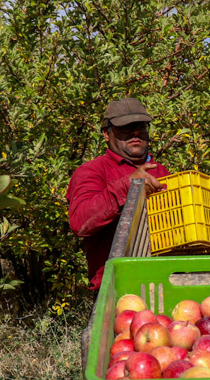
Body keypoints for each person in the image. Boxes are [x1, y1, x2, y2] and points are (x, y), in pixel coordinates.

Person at [66, 98, 170, 290]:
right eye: (126, 127)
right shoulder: (92, 171)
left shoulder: (161, 172)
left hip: (164, 281)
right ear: (106, 134)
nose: (135, 133)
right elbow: (80, 223)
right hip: (117, 286)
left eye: (141, 126)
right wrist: (128, 187)